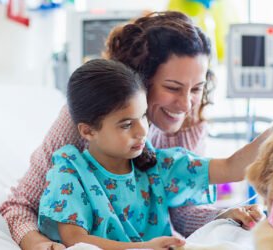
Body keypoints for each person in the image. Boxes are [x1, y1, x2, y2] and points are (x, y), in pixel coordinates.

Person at [0, 11, 273, 250]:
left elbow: (183, 207)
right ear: (140, 79)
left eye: (197, 88)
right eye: (173, 88)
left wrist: (226, 215)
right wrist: (38, 243)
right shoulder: (82, 129)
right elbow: (20, 206)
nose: (187, 105)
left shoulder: (176, 142)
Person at [39, 58, 243, 249]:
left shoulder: (155, 165)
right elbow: (76, 241)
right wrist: (143, 248)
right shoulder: (70, 172)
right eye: (127, 124)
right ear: (88, 131)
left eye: (143, 116)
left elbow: (230, 167)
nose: (142, 131)